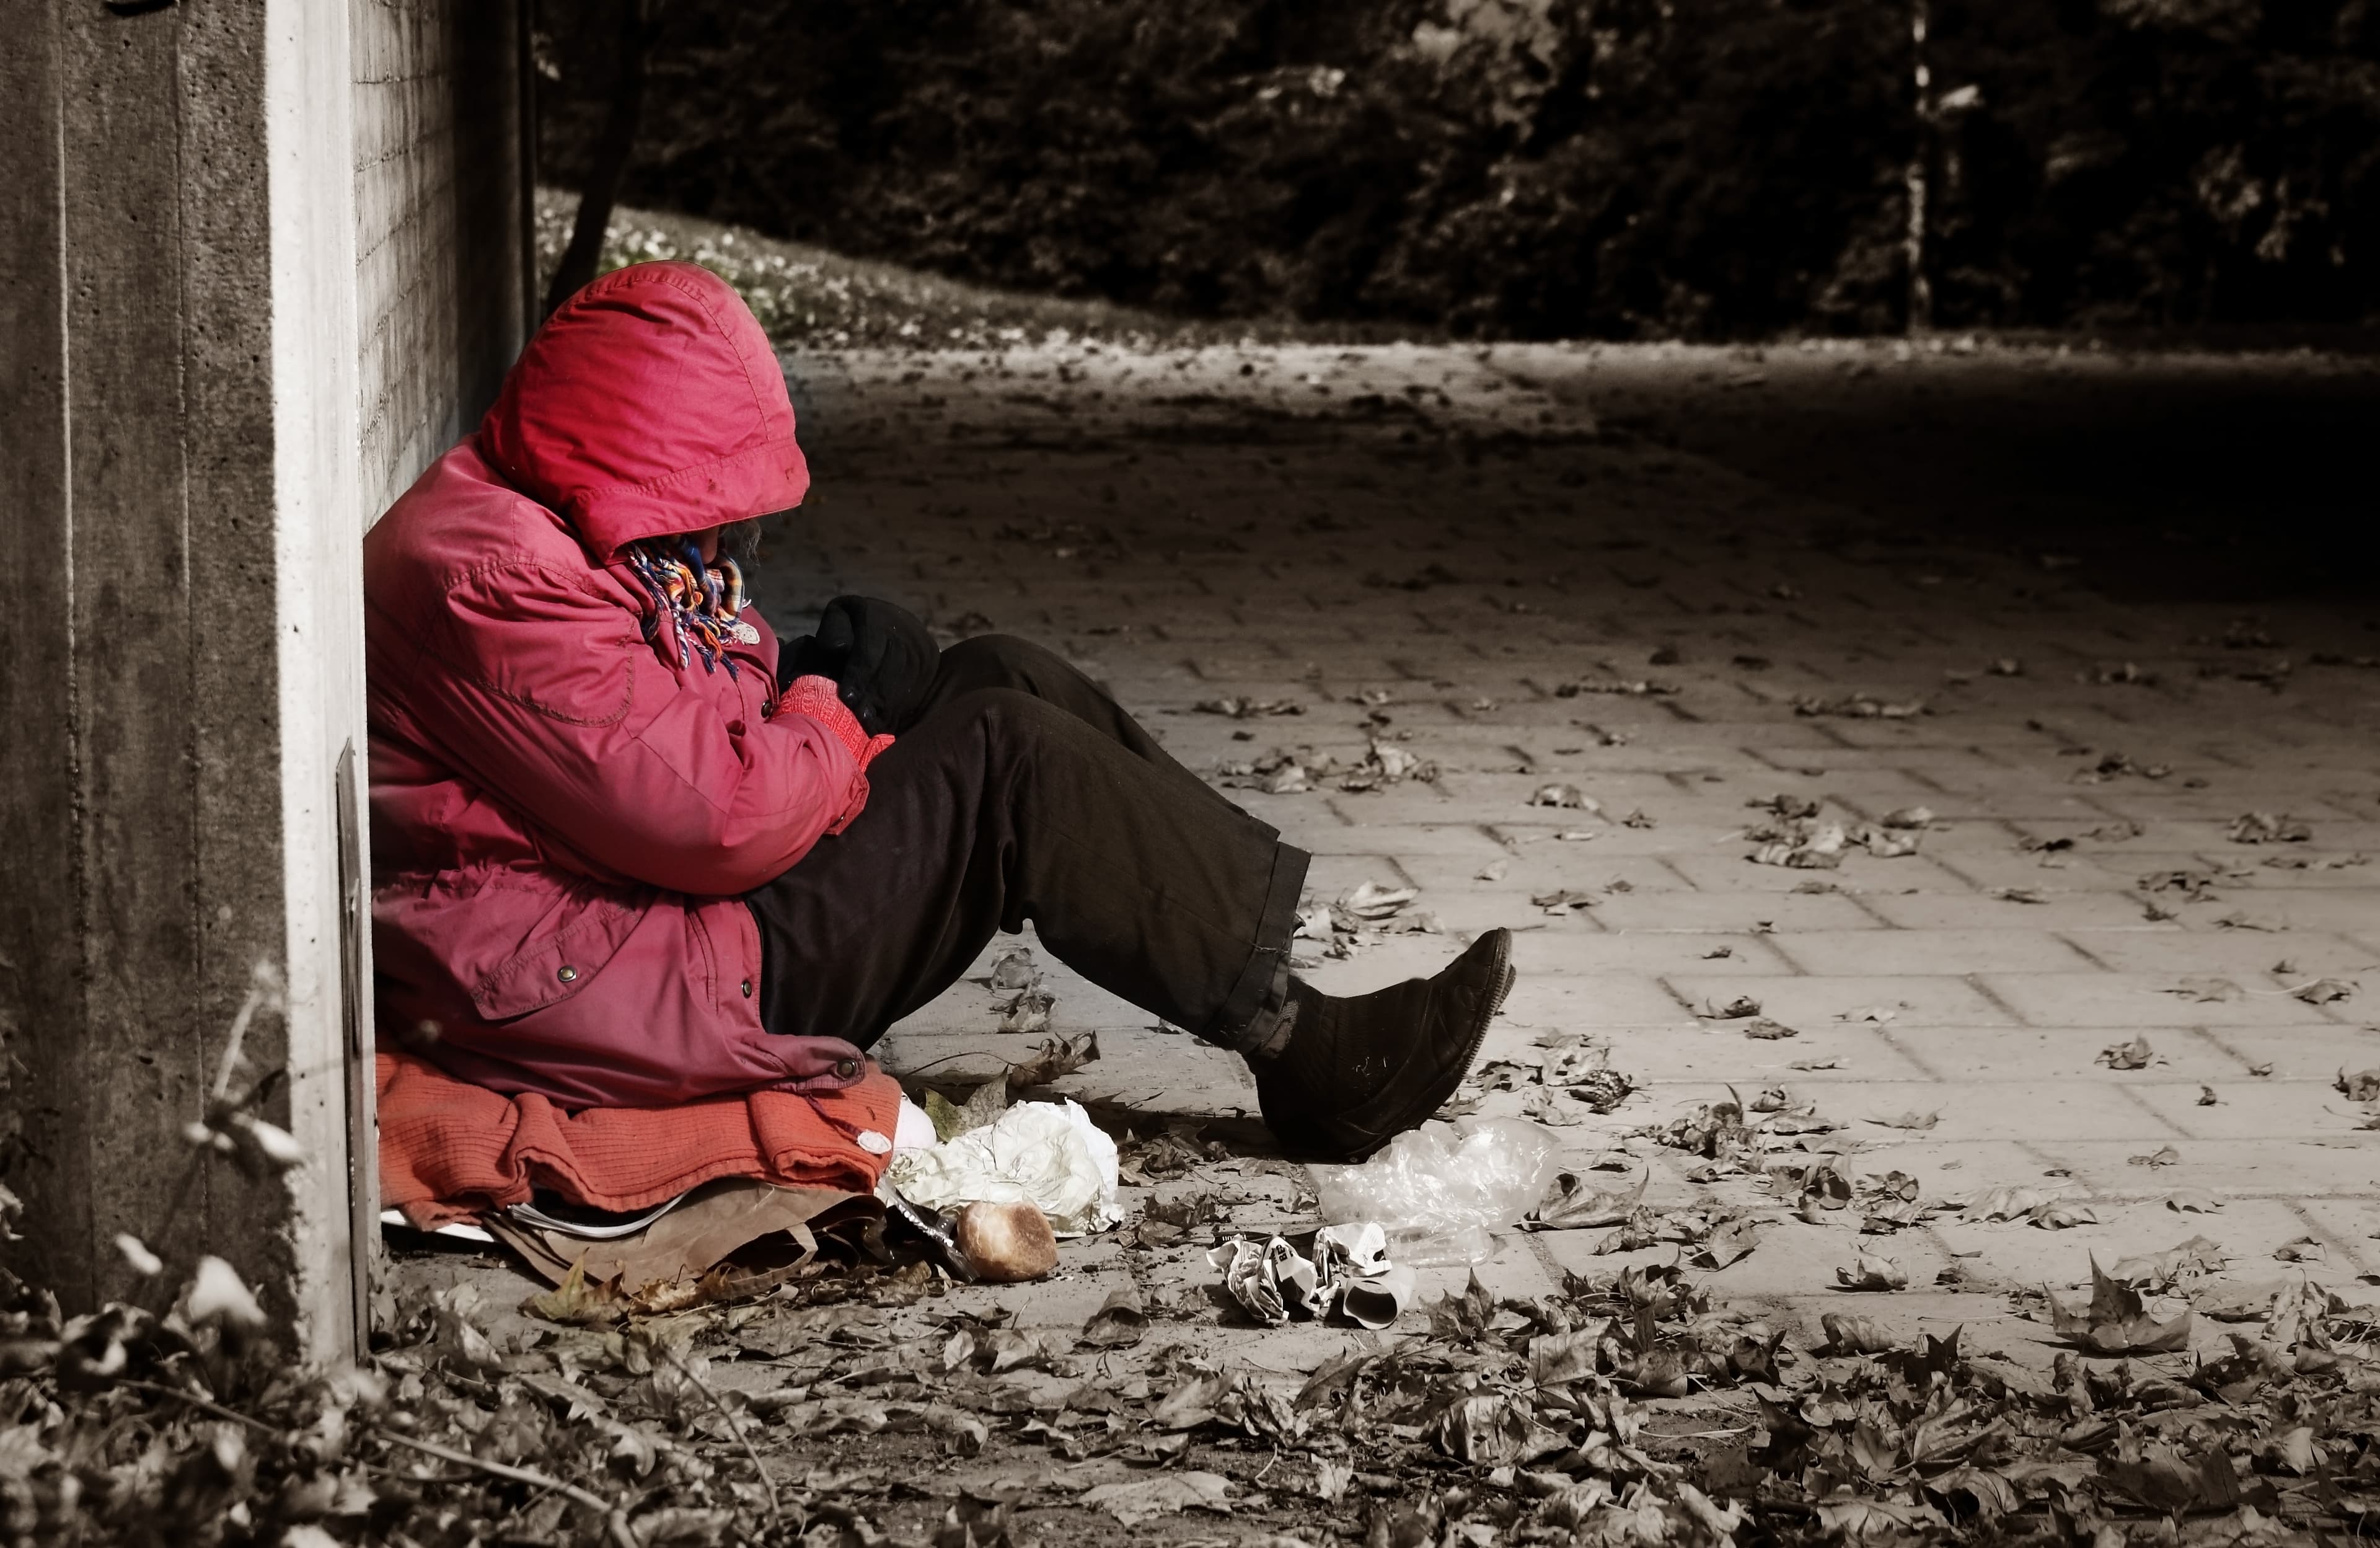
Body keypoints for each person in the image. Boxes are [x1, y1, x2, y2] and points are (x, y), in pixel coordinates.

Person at [363, 260, 1512, 1162]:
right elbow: (716, 821)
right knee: (1004, 759)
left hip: (641, 916)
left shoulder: (557, 518)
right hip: (633, 975)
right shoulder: (493, 579)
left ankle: (1284, 1009)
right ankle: (1308, 1054)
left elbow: (670, 692)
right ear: (645, 462)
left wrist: (792, 667)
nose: (730, 543)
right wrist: (833, 701)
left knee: (994, 672)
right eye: (713, 509)